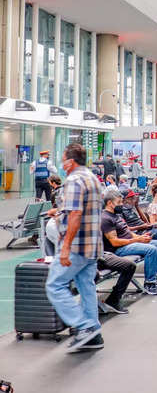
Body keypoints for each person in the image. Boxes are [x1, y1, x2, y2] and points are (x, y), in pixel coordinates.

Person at [45, 143, 106, 352]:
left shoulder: (73, 180)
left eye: (63, 160)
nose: (62, 165)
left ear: (70, 162)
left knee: (54, 285)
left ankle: (84, 327)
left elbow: (76, 214)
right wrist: (59, 211)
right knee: (86, 286)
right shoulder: (92, 178)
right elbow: (82, 209)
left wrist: (65, 248)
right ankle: (94, 335)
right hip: (93, 245)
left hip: (77, 246)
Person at [101, 189, 157, 296]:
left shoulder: (117, 216)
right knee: (151, 249)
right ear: (109, 203)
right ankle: (149, 283)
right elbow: (115, 242)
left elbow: (129, 233)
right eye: (119, 202)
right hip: (119, 249)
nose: (121, 205)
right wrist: (137, 240)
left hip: (129, 243)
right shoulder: (106, 218)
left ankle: (155, 277)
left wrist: (141, 237)